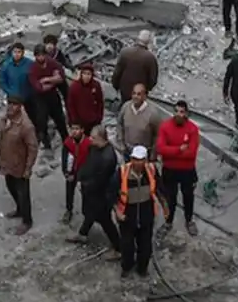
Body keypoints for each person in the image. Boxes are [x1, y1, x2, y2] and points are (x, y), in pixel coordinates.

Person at [116, 145, 168, 277]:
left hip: (146, 216)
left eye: (140, 160)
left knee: (145, 247)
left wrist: (165, 207)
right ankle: (127, 267)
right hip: (127, 217)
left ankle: (142, 269)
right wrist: (117, 211)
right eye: (135, 159)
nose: (137, 163)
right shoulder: (122, 172)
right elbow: (111, 193)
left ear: (145, 160)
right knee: (127, 246)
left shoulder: (152, 171)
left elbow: (160, 189)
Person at [70, 127, 122, 253]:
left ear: (101, 138)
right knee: (89, 213)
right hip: (90, 190)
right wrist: (80, 177)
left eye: (93, 138)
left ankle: (119, 248)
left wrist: (84, 185)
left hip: (102, 195)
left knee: (105, 221)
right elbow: (87, 163)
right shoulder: (94, 147)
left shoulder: (108, 158)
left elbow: (100, 181)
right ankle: (83, 233)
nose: (90, 139)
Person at [156, 100, 201, 236]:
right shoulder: (165, 127)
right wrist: (179, 149)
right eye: (176, 111)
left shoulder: (193, 129)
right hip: (169, 170)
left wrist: (171, 152)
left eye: (181, 112)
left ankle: (189, 221)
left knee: (188, 197)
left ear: (186, 114)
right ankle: (168, 222)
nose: (178, 114)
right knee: (170, 197)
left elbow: (191, 153)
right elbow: (160, 149)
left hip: (187, 170)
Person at [0, 97, 39, 235]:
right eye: (9, 103)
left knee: (23, 194)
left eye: (14, 104)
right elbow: (2, 140)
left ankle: (27, 221)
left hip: (20, 166)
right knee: (11, 188)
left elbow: (33, 148)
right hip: (8, 163)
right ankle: (19, 210)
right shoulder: (6, 120)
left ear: (20, 106)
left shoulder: (26, 126)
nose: (10, 107)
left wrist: (28, 168)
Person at [27, 39, 68, 152]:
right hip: (40, 98)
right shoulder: (33, 68)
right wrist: (54, 80)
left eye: (42, 55)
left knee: (60, 119)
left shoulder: (52, 63)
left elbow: (61, 77)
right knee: (41, 121)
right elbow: (38, 87)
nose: (40, 58)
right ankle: (46, 143)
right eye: (38, 56)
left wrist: (46, 80)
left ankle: (66, 140)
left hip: (53, 96)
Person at [113, 30, 159, 103]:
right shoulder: (151, 58)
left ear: (138, 38)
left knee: (124, 106)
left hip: (125, 90)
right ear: (149, 42)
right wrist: (146, 90)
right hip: (140, 93)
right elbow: (152, 79)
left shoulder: (125, 52)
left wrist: (116, 86)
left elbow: (117, 73)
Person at [116, 83, 161, 157]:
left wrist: (153, 154)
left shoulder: (153, 113)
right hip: (126, 150)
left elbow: (158, 135)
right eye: (134, 93)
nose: (135, 96)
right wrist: (121, 143)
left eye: (139, 94)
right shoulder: (126, 107)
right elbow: (119, 124)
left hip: (143, 154)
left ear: (145, 96)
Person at [61, 122, 90, 225]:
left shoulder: (88, 143)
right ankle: (69, 210)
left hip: (84, 172)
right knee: (69, 191)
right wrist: (66, 172)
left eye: (77, 129)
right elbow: (64, 158)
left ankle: (87, 213)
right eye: (72, 129)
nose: (74, 131)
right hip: (71, 171)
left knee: (86, 193)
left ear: (82, 130)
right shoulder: (68, 143)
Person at [66, 62, 105, 136]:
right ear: (81, 74)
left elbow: (100, 102)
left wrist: (99, 117)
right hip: (80, 123)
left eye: (89, 74)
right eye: (84, 73)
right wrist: (75, 121)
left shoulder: (96, 85)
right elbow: (70, 105)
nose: (86, 76)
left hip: (94, 121)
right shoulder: (74, 87)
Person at [0, 41, 35, 108]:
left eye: (19, 52)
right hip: (13, 97)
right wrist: (9, 92)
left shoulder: (30, 63)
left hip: (28, 97)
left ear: (23, 53)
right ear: (12, 52)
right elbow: (2, 81)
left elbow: (34, 79)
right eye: (15, 52)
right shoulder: (6, 65)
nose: (16, 54)